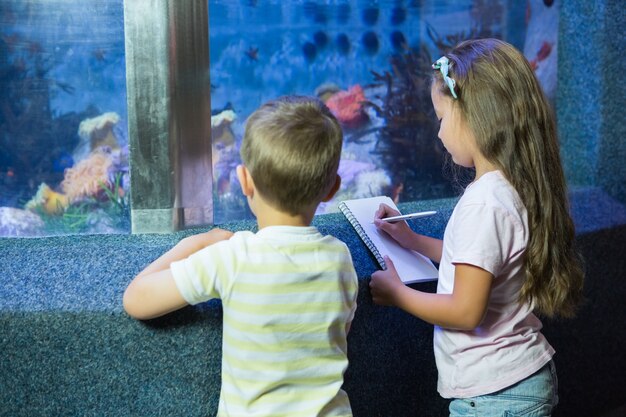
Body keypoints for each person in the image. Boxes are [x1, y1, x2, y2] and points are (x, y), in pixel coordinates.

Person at [369, 38, 584, 416]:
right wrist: (413, 241)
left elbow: (466, 310)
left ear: (475, 115)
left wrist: (398, 294)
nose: (438, 134)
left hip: (494, 395)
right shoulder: (515, 187)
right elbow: (481, 261)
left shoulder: (484, 202)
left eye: (441, 118)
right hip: (518, 381)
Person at [123, 95, 358, 416]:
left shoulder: (233, 257)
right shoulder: (341, 258)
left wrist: (193, 243)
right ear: (332, 189)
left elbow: (136, 300)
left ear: (244, 180)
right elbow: (338, 331)